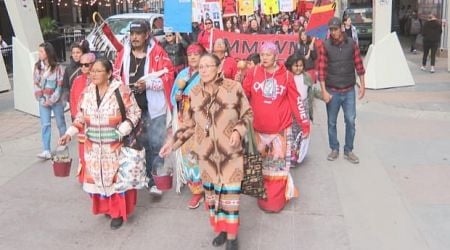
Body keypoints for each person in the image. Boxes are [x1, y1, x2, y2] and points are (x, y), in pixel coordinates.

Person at [160, 54, 253, 250]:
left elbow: (247, 114)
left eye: (207, 66)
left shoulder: (233, 88)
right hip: (207, 156)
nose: (203, 70)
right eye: (200, 67)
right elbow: (189, 124)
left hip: (231, 154)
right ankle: (220, 230)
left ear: (218, 68)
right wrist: (172, 142)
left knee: (230, 198)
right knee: (212, 197)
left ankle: (232, 237)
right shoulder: (193, 93)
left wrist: (238, 130)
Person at [59, 58, 142, 230]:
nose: (93, 74)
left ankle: (118, 213)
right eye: (92, 70)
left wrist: (123, 129)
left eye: (98, 71)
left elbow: (135, 112)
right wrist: (69, 133)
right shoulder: (88, 92)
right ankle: (107, 208)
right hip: (94, 148)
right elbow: (81, 117)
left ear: (109, 73)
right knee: (98, 180)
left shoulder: (121, 90)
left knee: (116, 181)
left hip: (116, 148)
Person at [242, 42, 310, 212]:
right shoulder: (253, 72)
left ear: (275, 56)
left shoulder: (286, 76)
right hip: (258, 131)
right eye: (262, 54)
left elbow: (296, 101)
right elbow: (243, 96)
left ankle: (277, 197)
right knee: (261, 166)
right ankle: (263, 194)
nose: (264, 57)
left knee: (277, 167)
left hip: (280, 131)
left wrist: (304, 124)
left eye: (268, 54)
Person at [114, 20, 175, 195]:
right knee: (133, 144)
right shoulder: (123, 54)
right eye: (132, 34)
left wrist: (147, 84)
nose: (134, 37)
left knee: (155, 144)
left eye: (138, 34)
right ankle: (136, 176)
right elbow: (116, 76)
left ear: (146, 34)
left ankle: (154, 179)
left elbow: (169, 75)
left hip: (153, 108)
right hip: (130, 109)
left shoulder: (157, 53)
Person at [318, 17, 366, 164]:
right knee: (331, 122)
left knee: (350, 121)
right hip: (332, 90)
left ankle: (348, 150)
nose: (333, 32)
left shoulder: (351, 44)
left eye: (336, 29)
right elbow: (321, 71)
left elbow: (359, 65)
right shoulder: (325, 46)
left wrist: (363, 85)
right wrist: (324, 91)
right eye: (331, 29)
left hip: (349, 89)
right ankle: (334, 148)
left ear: (341, 28)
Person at [169, 43, 206, 208]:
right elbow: (173, 96)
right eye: (190, 54)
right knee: (189, 153)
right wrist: (177, 97)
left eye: (196, 54)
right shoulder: (182, 74)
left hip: (203, 118)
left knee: (206, 152)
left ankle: (210, 189)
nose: (192, 57)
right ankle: (197, 190)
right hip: (185, 117)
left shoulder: (208, 73)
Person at [285, 54, 322, 166]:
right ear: (290, 66)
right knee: (292, 131)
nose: (298, 68)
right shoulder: (287, 77)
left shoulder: (307, 77)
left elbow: (312, 90)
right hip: (291, 107)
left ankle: (298, 154)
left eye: (301, 66)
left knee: (302, 131)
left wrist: (323, 96)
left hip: (304, 106)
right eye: (296, 66)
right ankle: (290, 154)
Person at [33, 42, 67, 160]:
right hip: (43, 100)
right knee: (45, 124)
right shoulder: (38, 67)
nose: (39, 53)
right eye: (39, 51)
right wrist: (41, 98)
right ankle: (46, 149)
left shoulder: (58, 68)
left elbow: (60, 85)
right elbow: (36, 83)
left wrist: (52, 100)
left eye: (42, 51)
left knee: (60, 123)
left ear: (48, 53)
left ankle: (63, 143)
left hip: (56, 100)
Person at [69, 52, 96, 183]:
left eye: (86, 65)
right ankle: (85, 176)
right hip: (82, 123)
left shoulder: (100, 80)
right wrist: (77, 118)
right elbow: (73, 101)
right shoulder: (77, 81)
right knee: (82, 152)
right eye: (81, 65)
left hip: (97, 124)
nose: (83, 68)